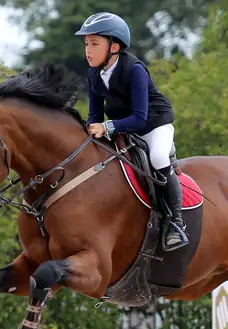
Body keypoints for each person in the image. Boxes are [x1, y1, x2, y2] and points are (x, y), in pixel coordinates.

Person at [75, 12, 188, 251]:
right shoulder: (94, 74)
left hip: (153, 125)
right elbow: (94, 117)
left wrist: (107, 127)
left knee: (157, 157)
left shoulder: (134, 70)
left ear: (114, 46)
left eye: (95, 44)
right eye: (86, 44)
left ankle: (176, 223)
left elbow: (139, 118)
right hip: (124, 128)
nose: (88, 50)